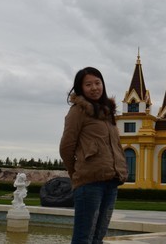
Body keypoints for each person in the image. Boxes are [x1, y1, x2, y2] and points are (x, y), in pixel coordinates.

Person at [59, 67, 128, 244]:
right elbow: (66, 147)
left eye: (98, 83)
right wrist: (76, 172)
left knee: (98, 236)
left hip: (111, 181)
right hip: (89, 183)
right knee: (84, 237)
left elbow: (116, 146)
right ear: (80, 88)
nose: (94, 87)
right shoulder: (78, 111)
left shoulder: (107, 113)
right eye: (88, 84)